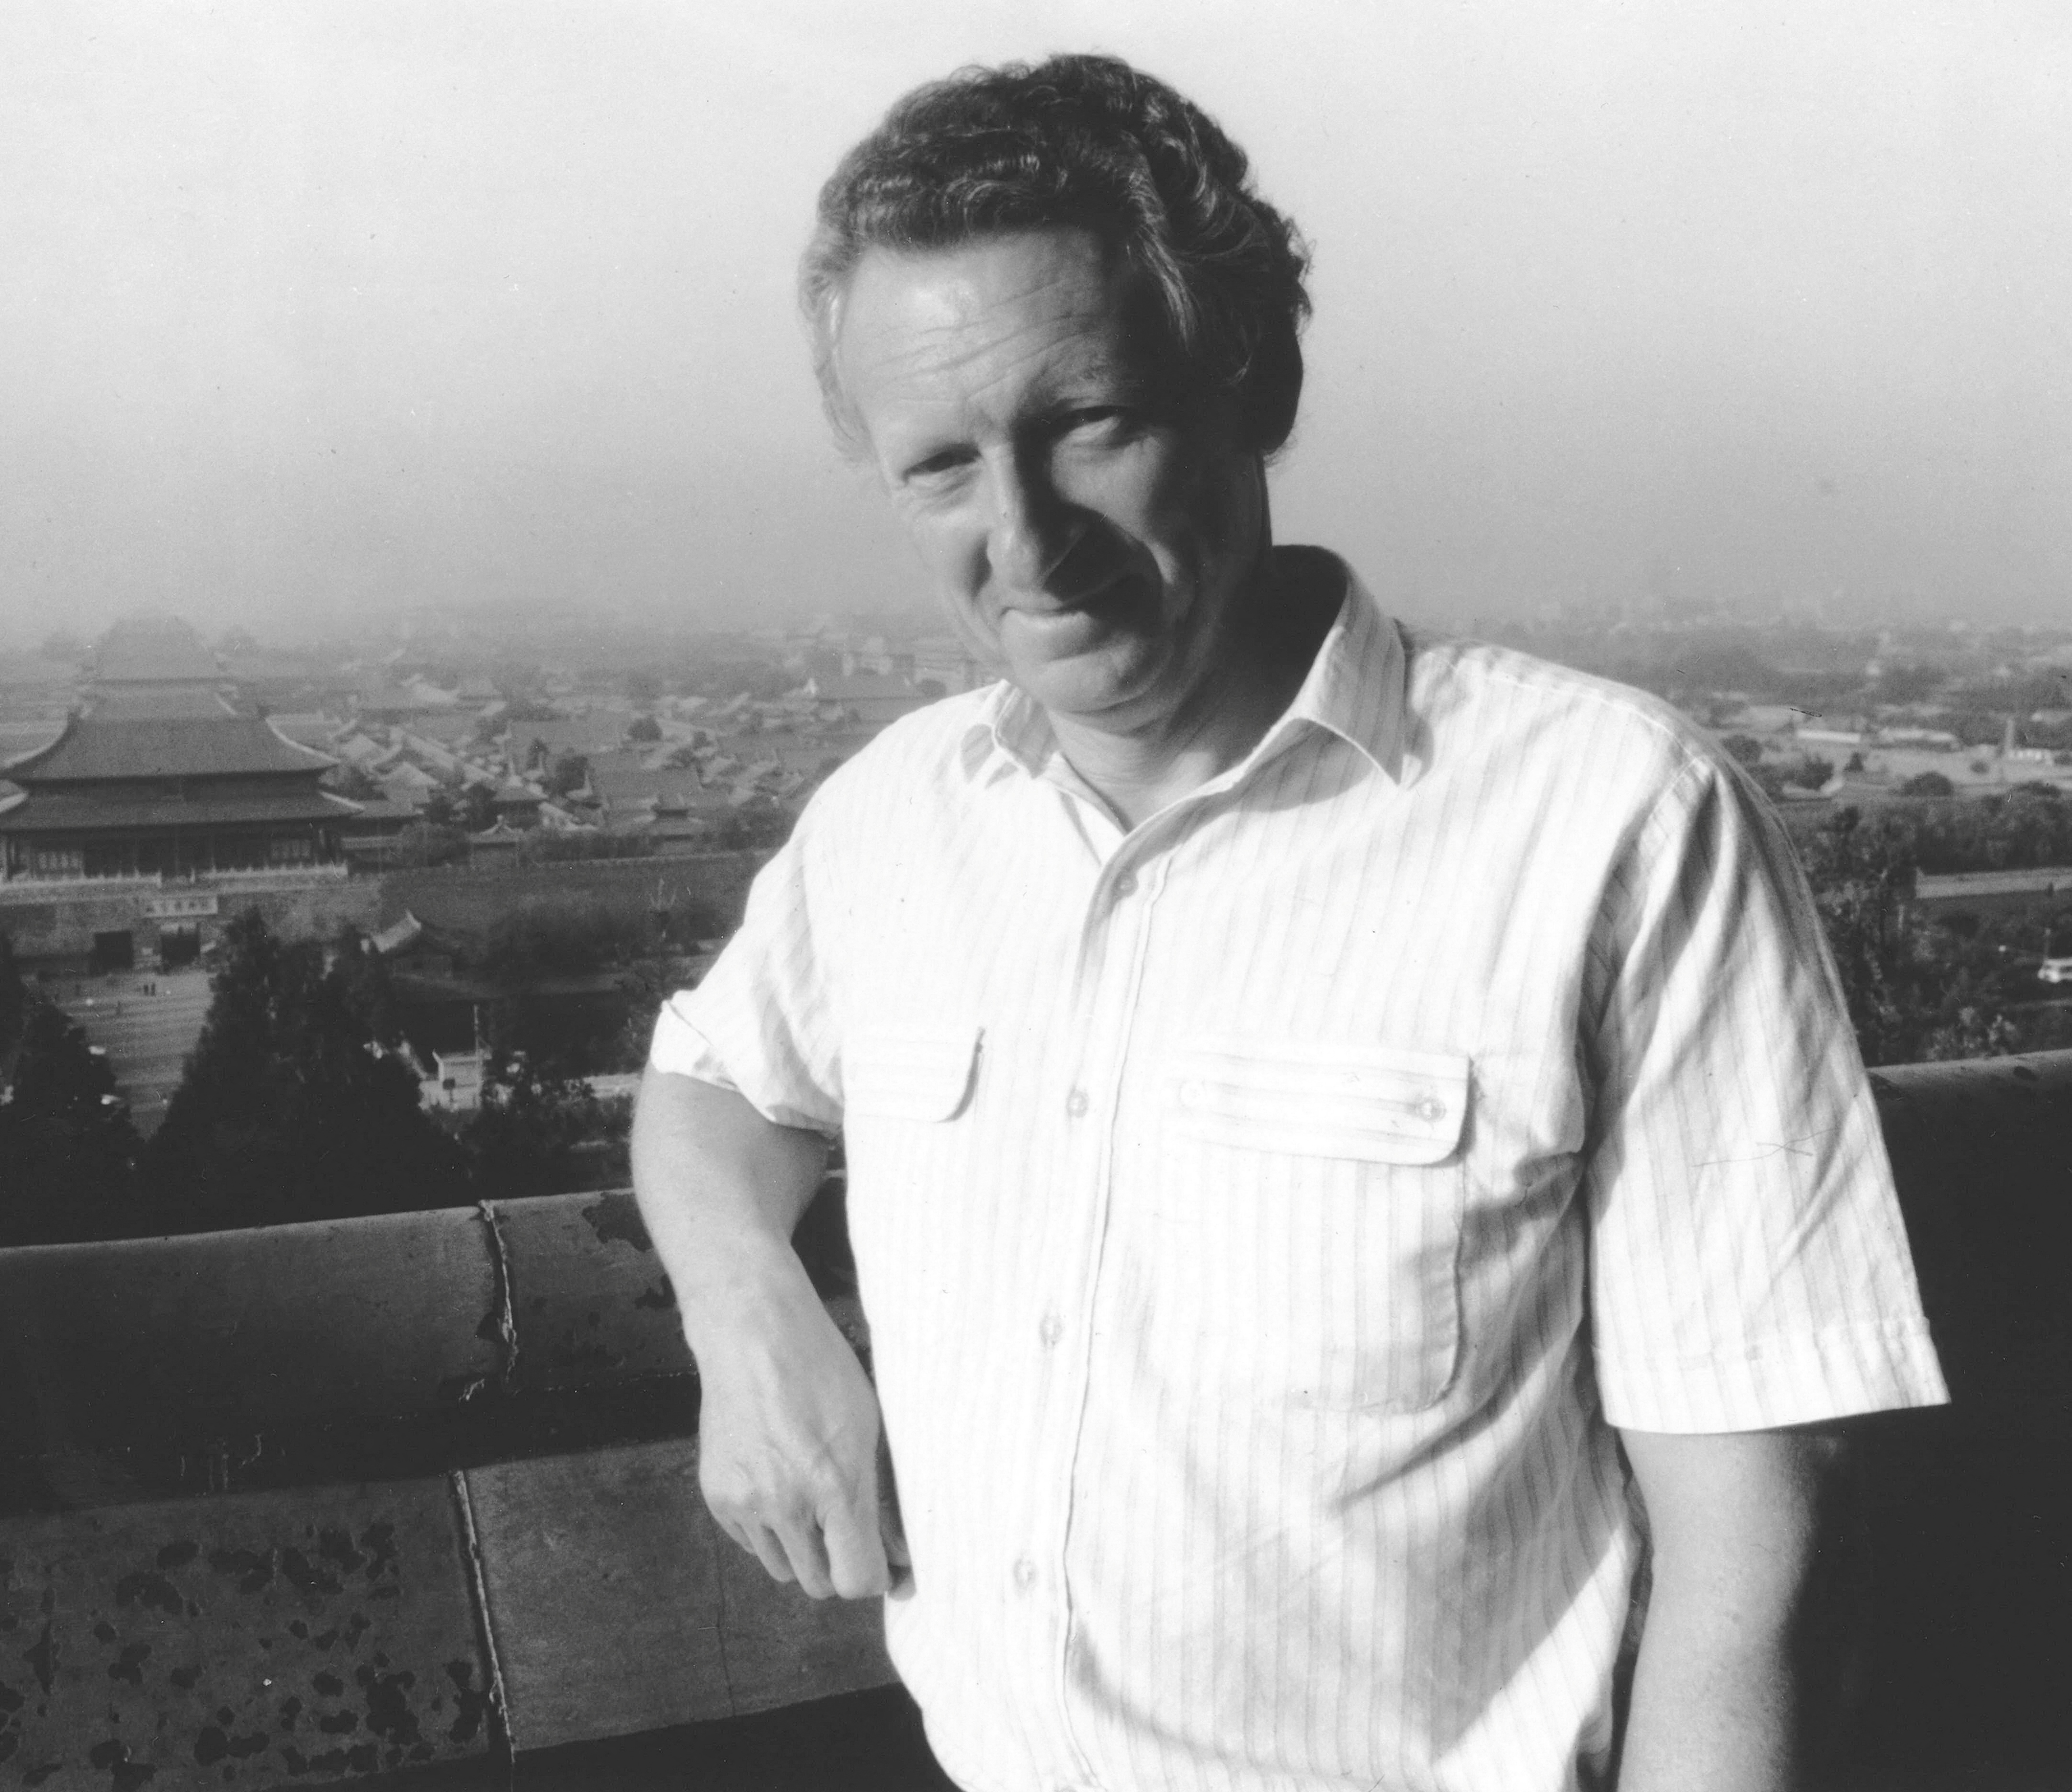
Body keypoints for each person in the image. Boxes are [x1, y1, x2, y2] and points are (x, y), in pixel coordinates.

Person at [629, 52, 1946, 1792]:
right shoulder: (894, 817)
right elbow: (716, 1078)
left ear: (1254, 380)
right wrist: (745, 1311)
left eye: (1086, 423)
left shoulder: (1611, 821)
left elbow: (1764, 1558)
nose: (1022, 539)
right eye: (940, 465)